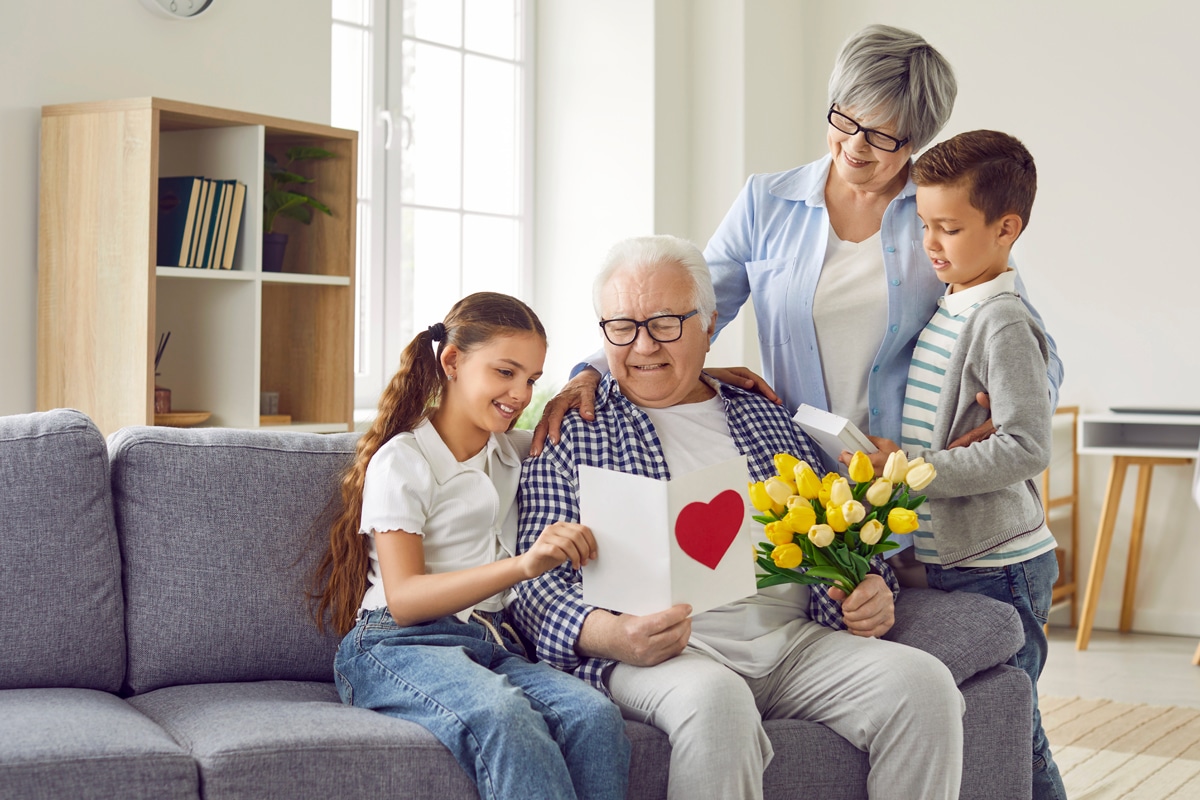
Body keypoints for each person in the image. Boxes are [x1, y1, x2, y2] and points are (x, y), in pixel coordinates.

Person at [530, 24, 1063, 581]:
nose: (855, 146)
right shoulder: (767, 202)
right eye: (845, 119)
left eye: (883, 136)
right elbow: (690, 310)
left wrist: (1016, 408)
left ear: (916, 140)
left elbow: (1026, 337)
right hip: (813, 491)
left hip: (914, 488)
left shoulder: (941, 219)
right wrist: (589, 371)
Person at [509, 236, 964, 800]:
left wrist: (870, 584)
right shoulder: (573, 429)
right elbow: (530, 586)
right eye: (621, 326)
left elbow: (832, 529)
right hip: (666, 653)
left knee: (924, 685)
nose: (642, 345)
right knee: (716, 704)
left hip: (795, 641)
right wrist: (616, 635)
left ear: (709, 323)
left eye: (667, 323)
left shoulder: (762, 412)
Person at [311, 292, 630, 800]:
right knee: (503, 716)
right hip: (397, 644)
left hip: (488, 643)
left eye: (530, 378)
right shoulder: (404, 461)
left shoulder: (509, 455)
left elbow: (622, 387)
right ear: (452, 361)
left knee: (592, 716)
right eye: (505, 372)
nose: (521, 394)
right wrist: (525, 566)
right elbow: (406, 599)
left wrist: (712, 374)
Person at [853, 130, 1065, 800]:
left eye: (949, 228)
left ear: (1006, 229)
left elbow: (1028, 444)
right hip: (956, 556)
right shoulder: (954, 300)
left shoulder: (999, 317)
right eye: (924, 226)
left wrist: (913, 469)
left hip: (1002, 564)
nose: (931, 245)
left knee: (1018, 726)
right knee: (989, 723)